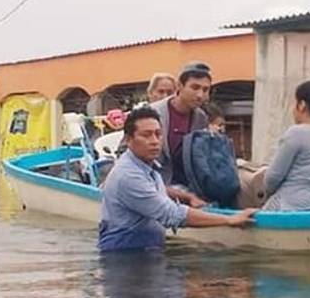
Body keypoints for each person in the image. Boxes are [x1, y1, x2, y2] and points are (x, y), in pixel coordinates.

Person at [98, 107, 255, 251]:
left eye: (158, 134)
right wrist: (229, 220)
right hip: (124, 257)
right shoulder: (128, 175)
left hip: (143, 251)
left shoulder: (146, 167)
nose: (154, 141)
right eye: (146, 135)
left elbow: (155, 193)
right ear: (129, 139)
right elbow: (171, 214)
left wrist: (187, 197)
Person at [261, 72, 310, 211]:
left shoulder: (296, 133)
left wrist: (266, 193)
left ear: (302, 105)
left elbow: (272, 178)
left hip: (285, 206)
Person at [149, 62, 213, 191]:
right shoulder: (152, 112)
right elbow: (124, 152)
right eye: (195, 88)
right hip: (152, 184)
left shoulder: (201, 118)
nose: (200, 95)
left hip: (188, 185)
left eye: (205, 90)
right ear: (180, 86)